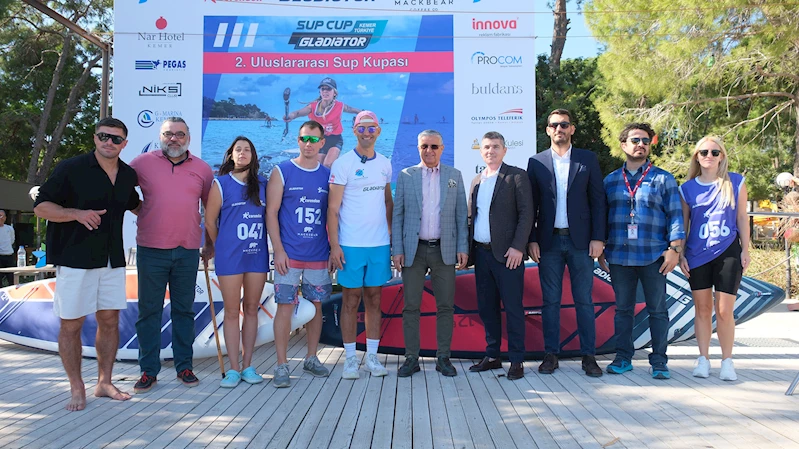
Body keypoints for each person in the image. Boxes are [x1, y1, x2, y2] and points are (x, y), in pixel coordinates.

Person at [33, 117, 140, 411]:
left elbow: (137, 206)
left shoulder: (128, 175)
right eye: (104, 136)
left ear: (124, 144)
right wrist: (76, 214)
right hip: (75, 260)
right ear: (95, 138)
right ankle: (76, 386)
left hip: (112, 260)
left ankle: (104, 382)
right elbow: (41, 207)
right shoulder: (71, 168)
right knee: (71, 324)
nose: (109, 142)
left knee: (110, 321)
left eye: (116, 138)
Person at [130, 117, 215, 393]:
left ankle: (184, 367)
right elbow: (120, 189)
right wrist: (140, 208)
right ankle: (148, 370)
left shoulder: (202, 169)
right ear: (160, 136)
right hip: (151, 249)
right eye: (168, 134)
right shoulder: (142, 163)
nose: (174, 139)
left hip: (187, 250)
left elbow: (209, 209)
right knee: (149, 312)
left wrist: (209, 244)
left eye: (179, 134)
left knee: (184, 311)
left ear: (188, 137)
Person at [599, 123, 684, 380]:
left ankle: (659, 361)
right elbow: (602, 219)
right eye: (635, 140)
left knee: (657, 310)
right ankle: (623, 358)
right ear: (623, 145)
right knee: (623, 310)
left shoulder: (664, 179)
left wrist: (674, 249)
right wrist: (601, 248)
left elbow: (676, 216)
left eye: (646, 141)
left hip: (654, 255)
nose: (641, 145)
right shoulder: (610, 181)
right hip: (619, 256)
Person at [526, 109, 606, 377]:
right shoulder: (536, 162)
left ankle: (589, 356)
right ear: (547, 130)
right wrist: (532, 239)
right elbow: (530, 206)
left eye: (564, 124)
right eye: (554, 125)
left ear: (572, 129)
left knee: (584, 300)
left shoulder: (587, 159)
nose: (559, 129)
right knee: (550, 301)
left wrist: (598, 238)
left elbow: (598, 201)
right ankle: (551, 355)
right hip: (548, 242)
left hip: (580, 242)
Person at [392, 129, 469, 378]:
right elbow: (398, 214)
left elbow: (461, 215)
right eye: (424, 146)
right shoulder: (406, 175)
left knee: (445, 306)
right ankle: (411, 358)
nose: (429, 151)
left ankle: (443, 358)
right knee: (411, 306)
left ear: (442, 149)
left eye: (434, 146)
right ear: (418, 148)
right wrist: (397, 249)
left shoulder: (454, 176)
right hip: (413, 250)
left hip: (444, 250)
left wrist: (462, 247)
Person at [266, 121, 333, 388]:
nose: (308, 144)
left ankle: (311, 357)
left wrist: (333, 248)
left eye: (314, 140)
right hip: (289, 256)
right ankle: (281, 364)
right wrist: (278, 250)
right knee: (285, 307)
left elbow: (333, 215)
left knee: (316, 306)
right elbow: (271, 213)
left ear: (322, 143)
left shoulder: (327, 175)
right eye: (304, 139)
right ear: (298, 140)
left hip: (318, 254)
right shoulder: (282, 171)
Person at [328, 110, 393, 379]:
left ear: (378, 131)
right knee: (351, 300)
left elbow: (387, 202)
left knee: (375, 299)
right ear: (354, 131)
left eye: (371, 128)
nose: (367, 133)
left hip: (379, 244)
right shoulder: (342, 164)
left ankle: (373, 358)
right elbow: (333, 209)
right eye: (362, 128)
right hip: (351, 244)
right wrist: (335, 245)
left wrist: (390, 236)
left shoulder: (385, 163)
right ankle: (351, 359)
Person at [679, 136, 749, 381]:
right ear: (697, 157)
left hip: (728, 252)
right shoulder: (687, 188)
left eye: (715, 152)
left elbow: (742, 217)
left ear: (722, 156)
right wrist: (680, 253)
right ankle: (703, 359)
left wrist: (746, 249)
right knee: (702, 308)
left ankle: (727, 361)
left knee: (724, 310)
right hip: (697, 255)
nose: (709, 156)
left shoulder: (735, 182)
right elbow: (684, 225)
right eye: (704, 152)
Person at [467, 131, 533, 380]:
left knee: (513, 309)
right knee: (487, 308)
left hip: (508, 255)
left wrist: (518, 247)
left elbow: (527, 214)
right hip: (481, 254)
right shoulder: (476, 180)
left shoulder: (516, 176)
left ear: (504, 150)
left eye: (495, 146)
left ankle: (516, 360)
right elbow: (472, 218)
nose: (490, 151)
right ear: (481, 151)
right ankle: (493, 355)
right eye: (486, 147)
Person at [205, 136, 269, 388]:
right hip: (230, 256)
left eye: (247, 150)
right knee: (232, 312)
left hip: (256, 255)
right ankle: (233, 369)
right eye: (238, 149)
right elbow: (210, 221)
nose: (242, 153)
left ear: (253, 155)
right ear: (231, 155)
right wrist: (222, 244)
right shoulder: (220, 184)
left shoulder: (263, 184)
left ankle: (248, 365)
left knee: (252, 309)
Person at [284, 77, 363, 168]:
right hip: (319, 140)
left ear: (334, 93)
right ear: (320, 92)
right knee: (319, 166)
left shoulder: (340, 106)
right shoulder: (313, 107)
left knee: (328, 164)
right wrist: (290, 116)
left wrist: (365, 114)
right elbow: (298, 113)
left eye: (328, 89)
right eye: (323, 89)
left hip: (335, 140)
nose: (325, 91)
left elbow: (353, 110)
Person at [0, 210, 15, 287]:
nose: (1, 218)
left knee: (11, 279)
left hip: (9, 256)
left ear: (5, 218)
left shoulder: (9, 229)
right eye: (0, 215)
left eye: (3, 216)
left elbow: (12, 240)